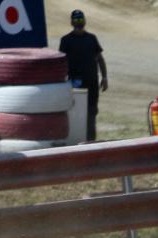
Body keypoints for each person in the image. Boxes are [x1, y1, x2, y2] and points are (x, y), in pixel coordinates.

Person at [58, 9, 108, 141]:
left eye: (80, 19)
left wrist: (105, 77)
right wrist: (61, 81)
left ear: (84, 21)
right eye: (76, 20)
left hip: (92, 83)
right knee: (75, 113)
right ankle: (76, 142)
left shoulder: (91, 39)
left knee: (91, 113)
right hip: (75, 83)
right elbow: (61, 62)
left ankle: (91, 143)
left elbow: (100, 58)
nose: (79, 22)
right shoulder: (66, 40)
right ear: (71, 22)